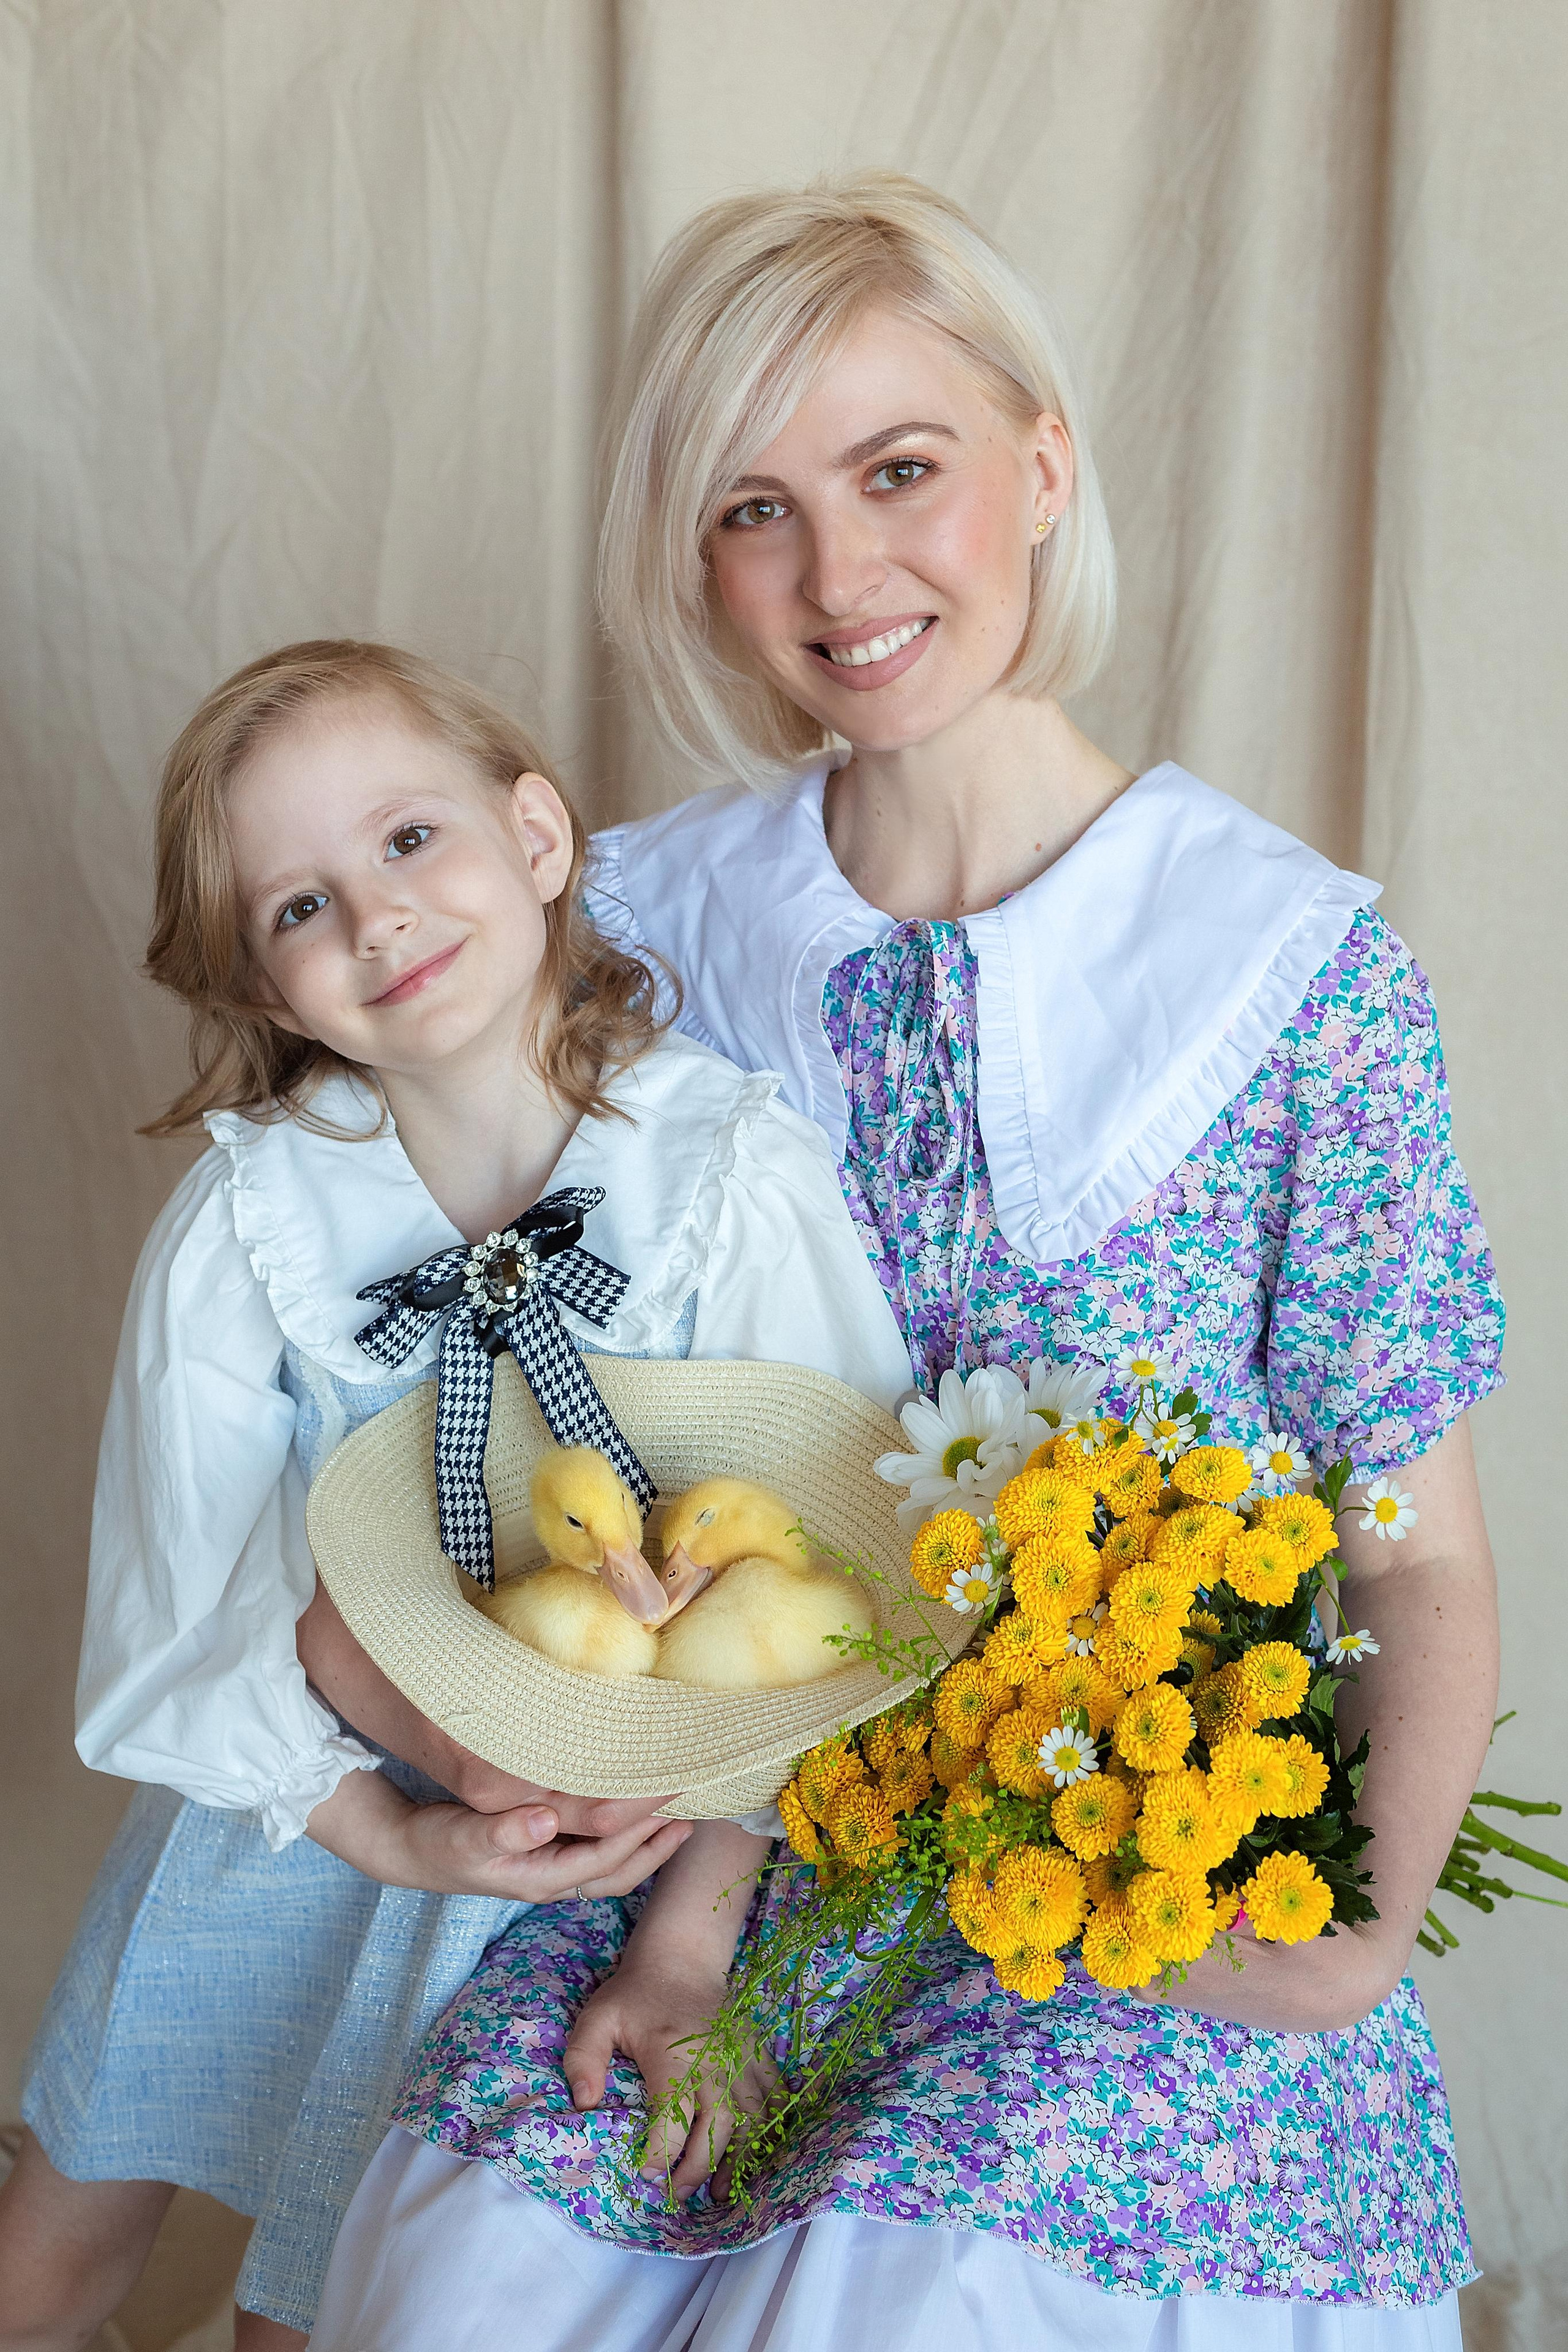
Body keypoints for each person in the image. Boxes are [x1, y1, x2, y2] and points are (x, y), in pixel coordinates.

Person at [311, 178, 1502, 2348]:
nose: (842, 576)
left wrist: (1348, 1935)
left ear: (1044, 467)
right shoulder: (630, 953)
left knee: (926, 2293)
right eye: (757, 509)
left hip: (1136, 1906)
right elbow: (423, 1404)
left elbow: (1408, 1550)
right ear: (695, 560)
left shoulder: (1290, 975)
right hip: (721, 1883)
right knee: (472, 2277)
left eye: (900, 473)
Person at [0, 638, 911, 2350]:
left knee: (330, 2292)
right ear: (269, 992)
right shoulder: (257, 1223)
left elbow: (835, 1596)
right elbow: (189, 1592)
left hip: (589, 1862)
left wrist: (689, 1945)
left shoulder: (722, 1171)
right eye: (299, 906)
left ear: (540, 837)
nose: (376, 918)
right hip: (293, 1810)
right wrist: (380, 1825)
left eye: (410, 840)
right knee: (49, 2245)